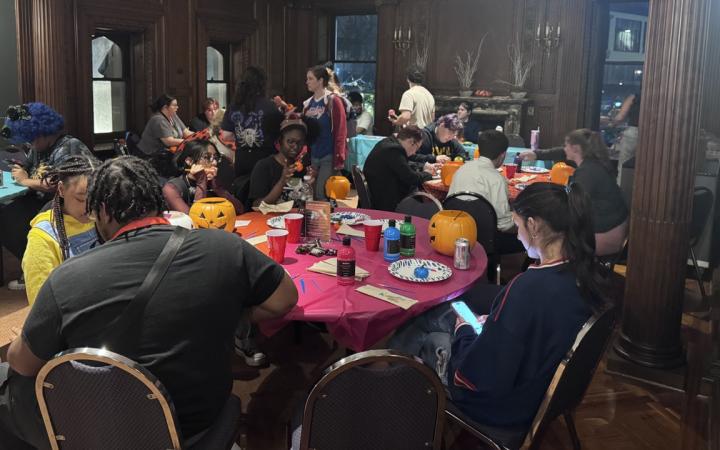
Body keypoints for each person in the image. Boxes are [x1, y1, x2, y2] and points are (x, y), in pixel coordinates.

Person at [0, 156, 298, 448]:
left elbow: (23, 363)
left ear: (102, 210)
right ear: (159, 199)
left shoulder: (67, 278)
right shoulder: (226, 247)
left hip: (110, 431)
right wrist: (224, 310)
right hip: (202, 424)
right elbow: (284, 299)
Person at [389, 182, 606, 429]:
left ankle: (394, 394)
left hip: (501, 405)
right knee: (437, 312)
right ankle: (394, 382)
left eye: (517, 225)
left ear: (533, 225)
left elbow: (478, 376)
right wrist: (493, 327)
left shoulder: (528, 288)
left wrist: (465, 331)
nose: (516, 234)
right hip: (538, 382)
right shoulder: (584, 273)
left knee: (428, 334)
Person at [0, 102, 93, 290]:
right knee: (7, 215)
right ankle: (32, 262)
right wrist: (22, 171)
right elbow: (30, 168)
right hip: (43, 199)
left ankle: (42, 266)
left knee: (13, 221)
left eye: (32, 139)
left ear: (44, 132)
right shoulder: (39, 147)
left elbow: (58, 185)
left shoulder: (69, 146)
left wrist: (26, 181)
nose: (29, 144)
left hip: (69, 204)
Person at [22, 156, 100, 305]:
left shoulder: (104, 218)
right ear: (61, 189)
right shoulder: (43, 237)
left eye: (96, 199)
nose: (89, 207)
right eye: (81, 199)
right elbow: (41, 305)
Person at [448, 130, 524, 254]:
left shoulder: (461, 169)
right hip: (488, 241)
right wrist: (522, 222)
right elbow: (503, 225)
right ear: (503, 155)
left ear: (479, 149)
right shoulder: (497, 179)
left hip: (455, 234)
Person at [564, 129, 628, 256]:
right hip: (614, 229)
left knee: (552, 235)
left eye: (566, 145)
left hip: (605, 235)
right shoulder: (593, 164)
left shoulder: (587, 172)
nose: (564, 149)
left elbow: (573, 205)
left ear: (575, 148)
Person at [220, 67, 278, 205]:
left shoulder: (234, 106)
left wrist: (241, 137)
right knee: (264, 202)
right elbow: (278, 134)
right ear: (262, 84)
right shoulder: (269, 106)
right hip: (265, 158)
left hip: (242, 158)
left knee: (243, 196)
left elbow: (226, 135)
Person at [248, 113, 318, 207]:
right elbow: (257, 206)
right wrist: (282, 181)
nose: (295, 147)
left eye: (300, 142)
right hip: (270, 220)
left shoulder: (303, 168)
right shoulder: (264, 166)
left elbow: (309, 204)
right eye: (290, 141)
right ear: (280, 141)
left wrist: (311, 185)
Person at [363, 125, 435, 212]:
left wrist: (421, 167)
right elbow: (411, 178)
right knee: (426, 204)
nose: (414, 152)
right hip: (385, 201)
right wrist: (427, 174)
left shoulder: (389, 142)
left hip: (379, 192)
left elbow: (402, 165)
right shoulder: (393, 150)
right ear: (411, 142)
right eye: (417, 148)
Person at [303, 65, 348, 200]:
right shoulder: (308, 104)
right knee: (310, 194)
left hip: (328, 154)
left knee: (322, 193)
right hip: (313, 155)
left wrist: (339, 157)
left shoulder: (333, 101)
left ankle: (324, 221)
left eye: (310, 79)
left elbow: (341, 129)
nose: (307, 82)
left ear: (321, 80)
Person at [162, 139, 243, 214]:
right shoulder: (171, 188)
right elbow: (194, 220)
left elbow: (240, 210)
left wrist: (218, 189)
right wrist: (201, 182)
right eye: (207, 157)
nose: (214, 162)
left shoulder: (212, 182)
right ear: (189, 161)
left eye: (215, 157)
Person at [136, 94, 193, 177]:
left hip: (167, 154)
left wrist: (201, 135)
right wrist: (189, 141)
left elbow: (186, 132)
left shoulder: (173, 115)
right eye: (174, 105)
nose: (177, 107)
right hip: (150, 157)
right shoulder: (158, 119)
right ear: (165, 107)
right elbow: (169, 141)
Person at [610, 93, 640, 185]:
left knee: (624, 166)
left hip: (634, 132)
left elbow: (620, 117)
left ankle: (621, 192)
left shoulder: (635, 96)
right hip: (653, 134)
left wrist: (612, 124)